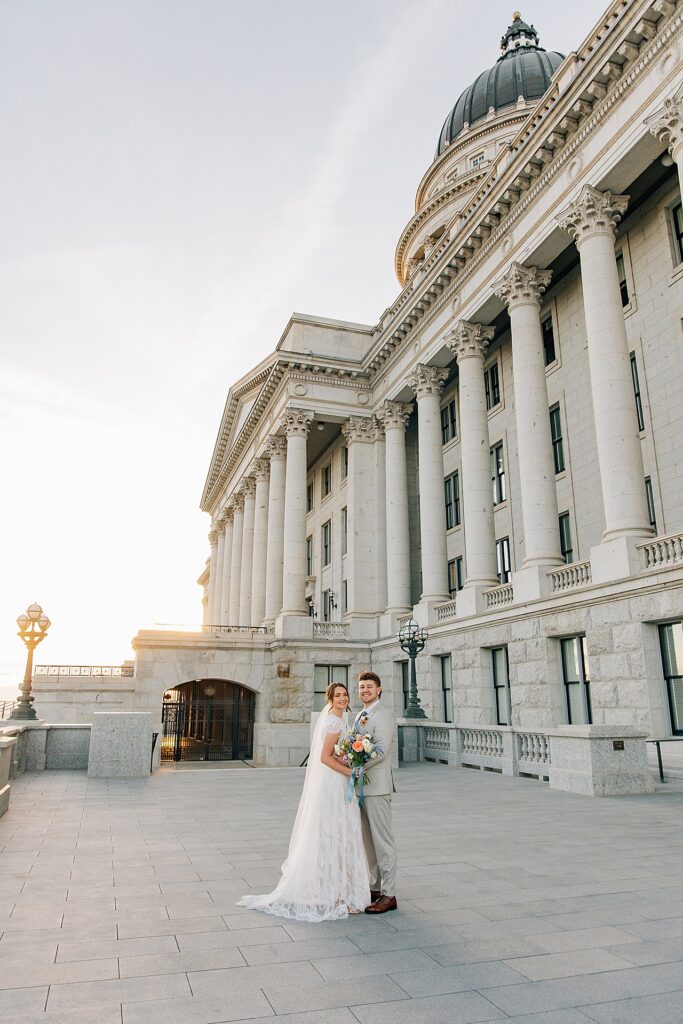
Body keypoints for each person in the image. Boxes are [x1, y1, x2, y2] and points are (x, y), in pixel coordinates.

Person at [236, 682, 369, 921]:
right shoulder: (333, 722)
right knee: (334, 832)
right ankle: (334, 892)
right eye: (338, 695)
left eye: (345, 694)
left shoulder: (340, 719)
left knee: (337, 832)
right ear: (330, 699)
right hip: (333, 783)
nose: (343, 698)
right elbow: (324, 758)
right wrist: (351, 772)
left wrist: (347, 758)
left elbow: (335, 754)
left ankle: (337, 888)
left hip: (336, 780)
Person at [350, 670, 398, 914]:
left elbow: (380, 751)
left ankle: (389, 894)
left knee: (382, 841)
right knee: (368, 842)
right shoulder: (360, 715)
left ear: (379, 690)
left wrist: (355, 764)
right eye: (362, 687)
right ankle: (376, 887)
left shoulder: (384, 716)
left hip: (377, 787)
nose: (365, 690)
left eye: (369, 687)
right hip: (360, 788)